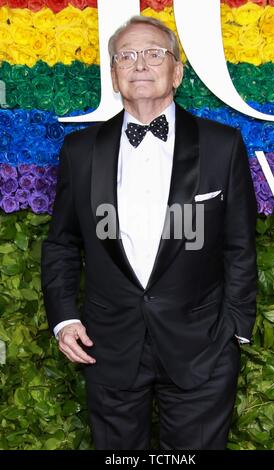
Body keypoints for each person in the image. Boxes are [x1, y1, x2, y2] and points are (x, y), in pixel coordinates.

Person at [41, 15, 257, 450]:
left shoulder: (222, 144)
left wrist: (235, 329)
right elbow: (62, 243)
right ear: (115, 75)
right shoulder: (80, 152)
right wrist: (64, 319)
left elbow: (239, 244)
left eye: (153, 53)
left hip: (203, 347)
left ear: (176, 71)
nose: (140, 64)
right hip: (108, 345)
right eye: (127, 56)